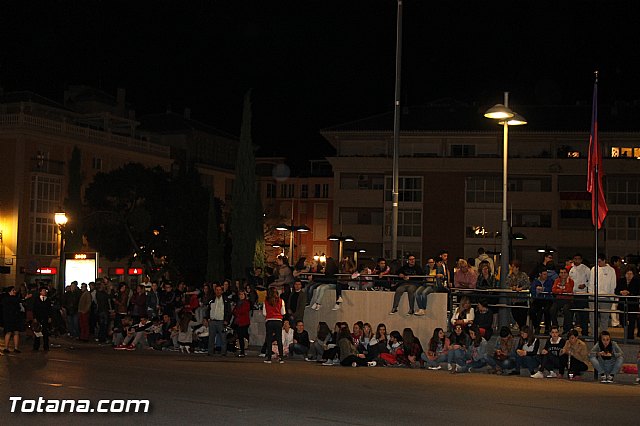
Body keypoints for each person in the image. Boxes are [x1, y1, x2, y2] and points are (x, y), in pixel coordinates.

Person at [589, 253, 617, 332]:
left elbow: (613, 285)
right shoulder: (594, 269)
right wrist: (591, 295)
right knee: (593, 317)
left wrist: (611, 298)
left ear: (604, 260)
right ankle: (593, 334)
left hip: (606, 297)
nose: (598, 263)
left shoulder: (611, 270)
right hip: (594, 297)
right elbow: (591, 283)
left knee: (604, 318)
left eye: (600, 261)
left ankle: (603, 335)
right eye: (597, 261)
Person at [615, 265, 640, 340]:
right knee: (623, 321)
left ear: (633, 274)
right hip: (623, 304)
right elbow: (616, 290)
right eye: (627, 274)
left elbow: (638, 291)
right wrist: (621, 292)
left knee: (632, 321)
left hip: (632, 304)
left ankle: (630, 337)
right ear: (625, 274)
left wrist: (629, 293)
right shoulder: (621, 280)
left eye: (631, 274)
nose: (629, 276)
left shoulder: (637, 281)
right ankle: (626, 335)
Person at [263, 287, 286, 364]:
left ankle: (269, 357)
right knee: (279, 339)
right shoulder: (281, 301)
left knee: (269, 339)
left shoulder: (266, 301)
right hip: (278, 321)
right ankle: (281, 357)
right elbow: (283, 312)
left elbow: (264, 313)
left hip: (269, 320)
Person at [208, 284, 231, 357]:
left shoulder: (225, 300)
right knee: (211, 337)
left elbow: (228, 311)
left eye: (219, 290)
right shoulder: (211, 299)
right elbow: (208, 309)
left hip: (221, 321)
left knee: (223, 337)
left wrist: (227, 320)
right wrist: (207, 318)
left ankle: (223, 352)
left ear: (222, 291)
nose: (218, 291)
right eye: (217, 290)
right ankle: (210, 352)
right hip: (212, 321)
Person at [507, 260, 531, 330]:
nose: (512, 268)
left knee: (522, 317)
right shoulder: (509, 276)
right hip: (514, 300)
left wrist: (521, 288)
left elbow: (528, 284)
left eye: (513, 267)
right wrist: (512, 288)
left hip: (522, 300)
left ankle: (522, 330)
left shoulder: (523, 275)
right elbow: (506, 285)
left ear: (517, 268)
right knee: (515, 315)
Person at [550, 268, 574, 332]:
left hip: (567, 300)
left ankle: (566, 329)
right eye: (561, 273)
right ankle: (555, 327)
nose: (563, 274)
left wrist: (566, 283)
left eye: (564, 273)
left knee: (566, 309)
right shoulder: (557, 281)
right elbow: (553, 290)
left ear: (567, 274)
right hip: (558, 299)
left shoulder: (571, 281)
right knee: (552, 309)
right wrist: (562, 291)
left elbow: (569, 290)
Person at [530, 270, 553, 335]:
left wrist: (543, 289)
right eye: (544, 274)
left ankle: (547, 328)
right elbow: (532, 290)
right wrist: (536, 291)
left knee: (547, 310)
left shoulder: (550, 280)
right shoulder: (535, 281)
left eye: (546, 274)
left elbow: (551, 289)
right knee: (532, 310)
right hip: (538, 299)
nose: (546, 276)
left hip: (547, 300)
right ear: (540, 274)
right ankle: (536, 327)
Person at [2, 286, 24, 353]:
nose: (15, 291)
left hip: (12, 318)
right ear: (9, 291)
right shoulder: (11, 299)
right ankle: (10, 348)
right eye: (13, 290)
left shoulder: (7, 299)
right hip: (12, 317)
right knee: (12, 332)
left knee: (13, 332)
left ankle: (11, 348)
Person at [32, 286, 52, 352]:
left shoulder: (48, 300)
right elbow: (34, 309)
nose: (45, 292)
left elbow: (50, 309)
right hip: (38, 317)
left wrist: (49, 317)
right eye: (43, 290)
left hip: (45, 317)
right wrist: (34, 317)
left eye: (45, 291)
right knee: (37, 332)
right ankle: (36, 347)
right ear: (40, 292)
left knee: (45, 333)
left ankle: (46, 346)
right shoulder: (37, 299)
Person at [232, 290, 251, 357]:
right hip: (238, 322)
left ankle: (242, 350)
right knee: (239, 336)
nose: (241, 296)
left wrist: (237, 312)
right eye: (240, 295)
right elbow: (234, 311)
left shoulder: (246, 303)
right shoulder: (238, 303)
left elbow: (243, 311)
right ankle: (240, 349)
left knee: (242, 336)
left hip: (244, 322)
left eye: (242, 294)